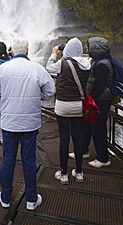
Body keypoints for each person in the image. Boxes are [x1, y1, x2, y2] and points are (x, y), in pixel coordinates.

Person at [0, 37, 55, 210]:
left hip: (9, 123)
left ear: (12, 51)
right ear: (27, 51)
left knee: (8, 159)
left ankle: (5, 196)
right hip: (30, 123)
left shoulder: (2, 69)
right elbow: (51, 91)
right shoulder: (37, 69)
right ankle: (31, 200)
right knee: (29, 160)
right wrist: (38, 100)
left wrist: (3, 109)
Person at [46, 37, 91, 184]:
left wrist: (54, 53)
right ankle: (79, 172)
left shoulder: (63, 63)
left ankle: (64, 174)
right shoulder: (87, 64)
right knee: (77, 138)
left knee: (64, 139)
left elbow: (48, 67)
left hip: (63, 106)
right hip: (79, 106)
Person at [69, 37, 114, 168]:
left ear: (96, 48)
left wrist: (89, 96)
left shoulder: (102, 64)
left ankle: (103, 158)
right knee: (86, 124)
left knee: (98, 128)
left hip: (100, 101)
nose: (86, 48)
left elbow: (99, 85)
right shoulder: (97, 61)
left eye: (88, 46)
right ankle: (83, 150)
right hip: (95, 99)